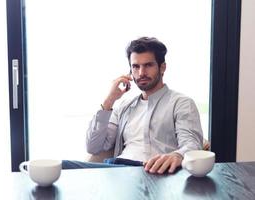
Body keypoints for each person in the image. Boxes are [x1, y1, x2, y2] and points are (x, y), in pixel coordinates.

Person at [62, 37, 203, 174]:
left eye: (148, 65)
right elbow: (94, 147)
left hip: (154, 171)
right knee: (62, 167)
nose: (141, 73)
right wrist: (109, 101)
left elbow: (192, 146)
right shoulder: (123, 107)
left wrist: (178, 156)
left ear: (162, 67)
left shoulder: (181, 103)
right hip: (119, 170)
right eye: (135, 66)